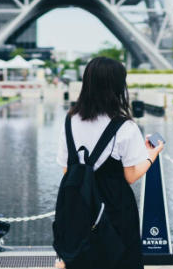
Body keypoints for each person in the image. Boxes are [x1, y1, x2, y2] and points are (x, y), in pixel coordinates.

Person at [55, 57, 163, 269]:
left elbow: (67, 170)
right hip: (115, 212)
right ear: (118, 87)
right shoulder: (125, 126)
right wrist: (152, 154)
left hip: (79, 211)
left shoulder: (70, 121)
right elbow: (130, 176)